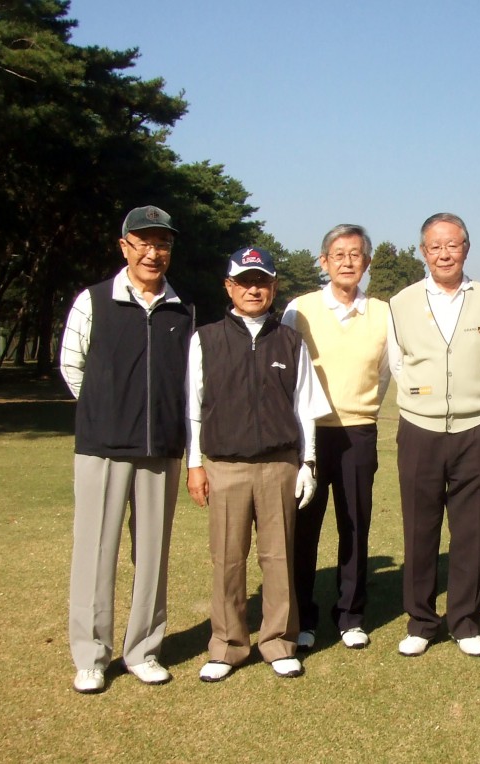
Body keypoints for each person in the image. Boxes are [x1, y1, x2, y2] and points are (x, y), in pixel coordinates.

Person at [60, 205, 194, 694]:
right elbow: (72, 367)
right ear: (125, 247)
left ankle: (143, 649)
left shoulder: (185, 309)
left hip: (161, 450)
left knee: (153, 553)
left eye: (162, 244)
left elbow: (187, 384)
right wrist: (105, 410)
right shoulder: (93, 301)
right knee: (95, 552)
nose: (153, 253)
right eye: (144, 243)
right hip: (103, 448)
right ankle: (91, 655)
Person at [186, 247, 331, 682]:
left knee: (278, 558)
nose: (253, 289)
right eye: (245, 281)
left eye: (262, 282)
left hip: (279, 465)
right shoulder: (206, 339)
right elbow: (192, 407)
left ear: (273, 287)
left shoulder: (289, 340)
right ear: (229, 286)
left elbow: (305, 407)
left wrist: (308, 462)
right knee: (227, 560)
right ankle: (227, 645)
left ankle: (278, 642)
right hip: (225, 466)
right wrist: (194, 464)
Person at [387, 212, 480, 658]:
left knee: (472, 529)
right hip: (419, 429)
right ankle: (421, 621)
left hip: (478, 428)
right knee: (420, 530)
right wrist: (427, 397)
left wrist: (472, 398)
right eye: (435, 246)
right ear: (423, 252)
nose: (444, 253)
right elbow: (399, 365)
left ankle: (464, 619)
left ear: (466, 248)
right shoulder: (400, 303)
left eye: (452, 245)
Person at [282, 224, 390, 651]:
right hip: (306, 437)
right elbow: (288, 372)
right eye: (339, 254)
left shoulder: (382, 312)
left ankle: (350, 615)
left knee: (355, 525)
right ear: (324, 261)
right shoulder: (300, 309)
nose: (348, 262)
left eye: (356, 254)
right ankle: (303, 616)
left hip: (358, 434)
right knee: (303, 529)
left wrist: (361, 409)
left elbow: (383, 375)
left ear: (366, 262)